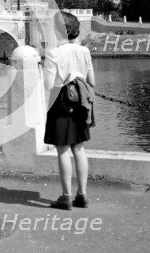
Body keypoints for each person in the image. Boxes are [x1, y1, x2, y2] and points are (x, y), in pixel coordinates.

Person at [42, 11, 95, 210]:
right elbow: (92, 81)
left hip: (60, 102)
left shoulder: (54, 52)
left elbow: (48, 85)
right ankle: (82, 195)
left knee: (63, 149)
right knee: (79, 148)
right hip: (81, 101)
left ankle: (66, 197)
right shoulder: (84, 51)